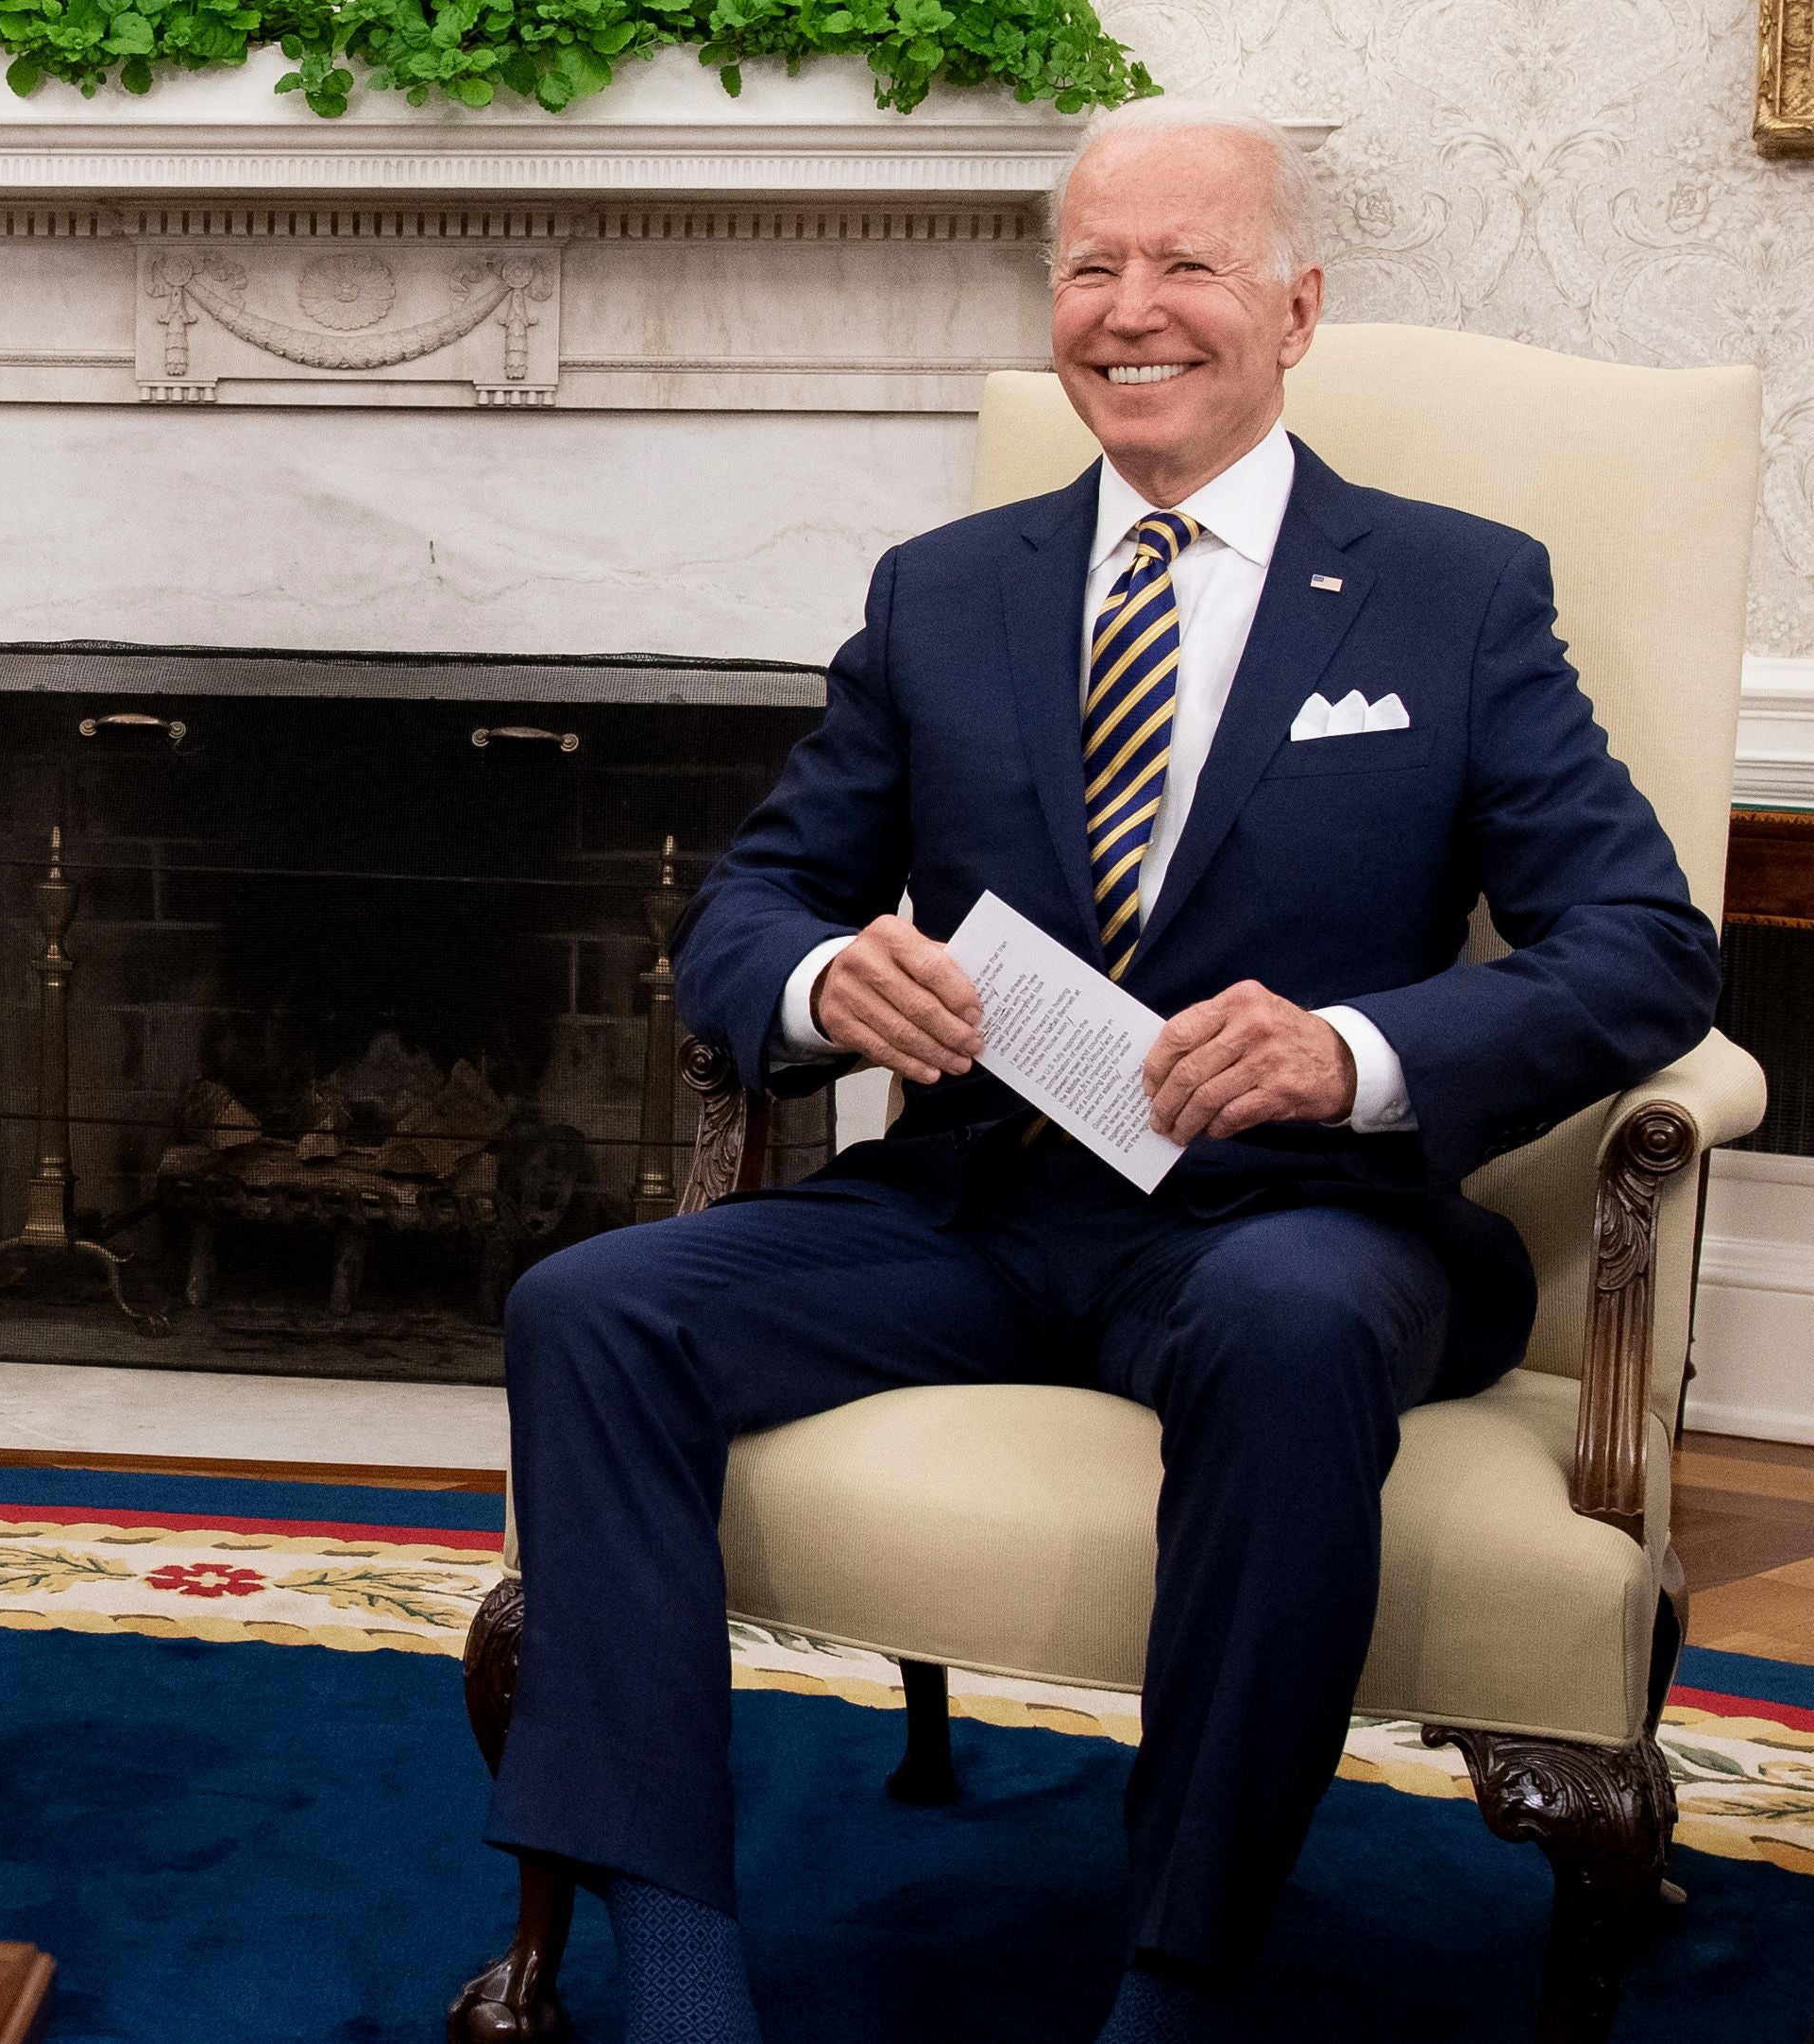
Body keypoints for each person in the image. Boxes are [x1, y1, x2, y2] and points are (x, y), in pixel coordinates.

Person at [485, 97, 1718, 2043]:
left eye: (1187, 263)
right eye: (1089, 264)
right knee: (591, 1306)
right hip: (980, 1202)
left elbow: (1643, 945)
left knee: (1287, 1323)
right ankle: (680, 1965)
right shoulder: (941, 588)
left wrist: (1352, 1051)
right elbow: (755, 901)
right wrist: (820, 981)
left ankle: (1175, 1968)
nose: (1130, 309)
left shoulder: (1452, 593)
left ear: (1294, 307)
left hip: (1295, 1221)